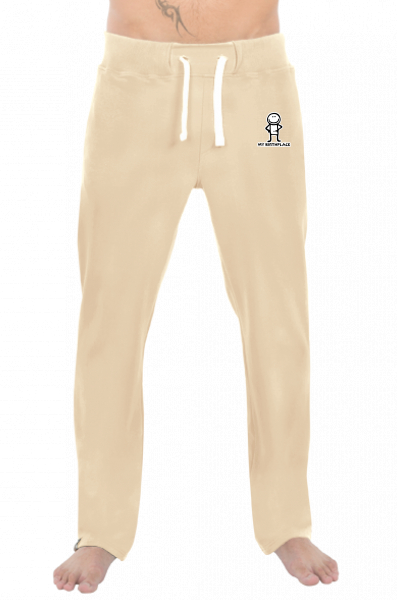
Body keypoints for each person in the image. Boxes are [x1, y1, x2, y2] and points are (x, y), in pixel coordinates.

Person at [53, 0, 339, 593]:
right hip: (136, 86)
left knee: (278, 314)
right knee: (111, 316)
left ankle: (287, 520)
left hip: (258, 94)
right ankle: (101, 526)